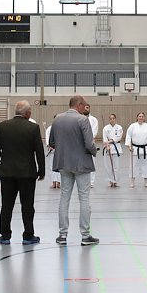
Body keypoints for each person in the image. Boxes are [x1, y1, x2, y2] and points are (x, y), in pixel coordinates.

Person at [0, 100, 45, 245]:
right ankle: (28, 235)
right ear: (27, 113)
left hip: (7, 172)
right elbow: (39, 151)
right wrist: (41, 171)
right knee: (27, 205)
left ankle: (5, 236)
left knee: (6, 205)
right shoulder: (33, 128)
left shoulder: (2, 126)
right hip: (27, 173)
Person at [49, 95, 99, 246]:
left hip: (64, 163)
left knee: (64, 197)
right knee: (84, 198)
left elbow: (51, 142)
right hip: (81, 164)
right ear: (79, 105)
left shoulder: (57, 119)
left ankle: (62, 235)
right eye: (84, 105)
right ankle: (85, 235)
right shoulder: (83, 120)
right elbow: (89, 143)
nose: (85, 107)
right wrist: (94, 151)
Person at [125, 112, 147, 188]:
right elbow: (128, 136)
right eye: (140, 116)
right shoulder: (132, 126)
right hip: (135, 149)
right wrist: (129, 146)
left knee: (146, 165)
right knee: (133, 166)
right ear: (137, 117)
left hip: (146, 148)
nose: (141, 117)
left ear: (144, 118)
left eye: (142, 116)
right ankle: (132, 181)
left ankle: (146, 181)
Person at [102, 114, 123, 188]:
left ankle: (116, 181)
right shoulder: (105, 128)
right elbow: (104, 138)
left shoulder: (119, 127)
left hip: (116, 146)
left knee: (116, 166)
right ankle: (110, 181)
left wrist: (110, 141)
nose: (112, 120)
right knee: (108, 166)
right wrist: (107, 145)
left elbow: (118, 137)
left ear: (115, 119)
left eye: (113, 118)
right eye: (110, 118)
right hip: (108, 147)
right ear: (109, 119)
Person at [84, 104, 99, 187]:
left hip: (91, 143)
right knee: (82, 162)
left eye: (87, 108)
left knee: (92, 162)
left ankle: (91, 181)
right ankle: (83, 180)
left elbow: (94, 132)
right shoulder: (78, 118)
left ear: (89, 109)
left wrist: (87, 138)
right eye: (84, 108)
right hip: (80, 144)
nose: (86, 109)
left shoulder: (94, 120)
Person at [45, 118, 60, 188]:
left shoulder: (62, 128)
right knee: (52, 166)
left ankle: (59, 182)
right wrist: (49, 145)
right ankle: (53, 182)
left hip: (60, 150)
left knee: (60, 166)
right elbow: (47, 138)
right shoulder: (49, 129)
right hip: (52, 150)